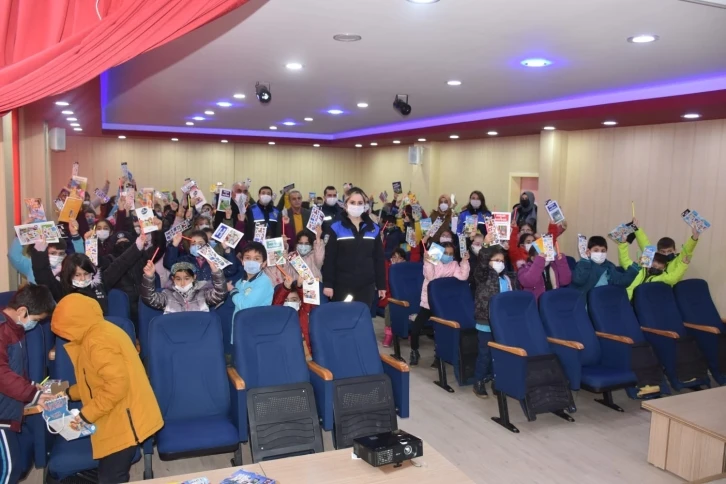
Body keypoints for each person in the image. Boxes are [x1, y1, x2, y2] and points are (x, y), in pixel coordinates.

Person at [51, 294, 163, 484]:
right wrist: (67, 393)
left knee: (111, 476)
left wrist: (86, 415)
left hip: (125, 420)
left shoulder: (97, 341)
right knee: (108, 473)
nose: (64, 336)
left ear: (74, 324)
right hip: (119, 414)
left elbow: (115, 387)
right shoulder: (98, 332)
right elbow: (93, 383)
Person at [0, 285, 57, 484]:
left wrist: (31, 385)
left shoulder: (13, 329)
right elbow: (2, 374)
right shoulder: (2, 330)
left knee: (13, 466)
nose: (35, 324)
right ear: (22, 311)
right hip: (1, 414)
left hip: (7, 409)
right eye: (36, 320)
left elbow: (13, 369)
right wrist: (33, 394)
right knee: (9, 468)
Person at [31, 234, 148, 315]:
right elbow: (42, 275)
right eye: (77, 275)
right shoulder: (62, 288)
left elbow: (120, 265)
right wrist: (39, 253)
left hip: (100, 330)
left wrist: (137, 246)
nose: (82, 278)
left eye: (86, 274)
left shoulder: (100, 283)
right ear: (69, 275)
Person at [322, 187, 386, 306]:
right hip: (342, 285)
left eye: (360, 203)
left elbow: (379, 259)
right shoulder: (336, 228)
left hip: (366, 286)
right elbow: (330, 258)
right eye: (352, 202)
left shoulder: (374, 229)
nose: (356, 206)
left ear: (364, 205)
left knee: (362, 315)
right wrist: (328, 284)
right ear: (346, 205)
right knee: (344, 316)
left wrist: (381, 285)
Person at [409, 243, 470, 366]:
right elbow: (430, 277)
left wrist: (464, 261)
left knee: (441, 330)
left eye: (450, 254)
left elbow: (463, 276)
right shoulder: (433, 261)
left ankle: (439, 356)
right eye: (445, 253)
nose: (448, 256)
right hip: (428, 303)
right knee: (415, 329)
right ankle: (414, 351)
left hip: (444, 304)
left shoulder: (453, 265)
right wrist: (428, 262)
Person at [473, 239, 518, 397]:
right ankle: (478, 381)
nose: (500, 263)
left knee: (499, 354)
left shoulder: (507, 279)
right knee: (485, 354)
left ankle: (496, 381)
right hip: (486, 322)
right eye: (496, 260)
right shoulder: (483, 276)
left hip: (502, 323)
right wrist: (486, 245)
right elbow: (482, 262)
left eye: (502, 261)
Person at [8, 219, 84, 284]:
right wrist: (22, 234)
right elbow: (14, 255)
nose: (57, 256)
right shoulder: (31, 265)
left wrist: (75, 234)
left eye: (61, 253)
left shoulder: (67, 267)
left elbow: (80, 259)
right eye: (53, 253)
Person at [141, 260, 227, 313]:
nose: (182, 283)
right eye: (178, 279)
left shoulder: (203, 294)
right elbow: (150, 299)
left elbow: (220, 294)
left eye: (186, 278)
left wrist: (216, 272)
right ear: (173, 279)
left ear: (194, 277)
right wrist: (149, 277)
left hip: (200, 332)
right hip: (175, 333)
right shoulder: (167, 295)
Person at [229, 242, 275, 342]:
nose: (251, 261)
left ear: (264, 263)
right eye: (247, 258)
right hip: (240, 330)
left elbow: (246, 305)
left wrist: (232, 291)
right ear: (242, 261)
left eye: (256, 259)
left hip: (256, 332)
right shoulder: (239, 283)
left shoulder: (264, 281)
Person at [633, 219, 700, 286]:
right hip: (642, 288)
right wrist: (636, 229)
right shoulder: (653, 258)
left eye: (669, 251)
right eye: (663, 251)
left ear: (675, 251)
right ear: (658, 252)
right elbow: (644, 243)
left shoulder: (679, 260)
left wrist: (694, 238)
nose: (666, 254)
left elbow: (687, 250)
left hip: (666, 290)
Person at [570, 236, 639, 295]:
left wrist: (635, 267)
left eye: (603, 251)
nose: (600, 253)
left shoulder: (609, 266)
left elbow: (622, 281)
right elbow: (578, 280)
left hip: (604, 300)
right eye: (596, 250)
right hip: (586, 302)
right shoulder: (584, 264)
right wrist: (585, 260)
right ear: (588, 251)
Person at [620, 247, 691, 300]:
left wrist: (683, 264)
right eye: (654, 266)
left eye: (660, 268)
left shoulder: (661, 277)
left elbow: (673, 278)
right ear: (648, 263)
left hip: (641, 303)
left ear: (663, 269)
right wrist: (622, 244)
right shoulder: (638, 268)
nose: (656, 269)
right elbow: (624, 260)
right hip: (625, 298)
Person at [164, 231, 237, 282]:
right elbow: (169, 265)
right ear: (189, 247)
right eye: (193, 244)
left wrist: (227, 250)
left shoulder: (214, 259)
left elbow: (231, 270)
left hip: (211, 295)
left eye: (200, 243)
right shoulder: (184, 260)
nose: (197, 246)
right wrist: (174, 244)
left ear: (207, 245)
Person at [272, 273, 313, 355]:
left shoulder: (305, 312)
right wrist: (285, 288)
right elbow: (276, 306)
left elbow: (309, 302)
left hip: (307, 353)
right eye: (286, 300)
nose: (289, 303)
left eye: (294, 300)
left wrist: (300, 287)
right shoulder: (280, 316)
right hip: (288, 353)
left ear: (300, 301)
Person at [381, 247, 407, 348]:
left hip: (405, 297)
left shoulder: (406, 269)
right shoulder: (387, 267)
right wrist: (392, 268)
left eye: (399, 258)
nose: (396, 260)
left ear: (404, 260)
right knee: (389, 308)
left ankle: (408, 331)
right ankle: (389, 334)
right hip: (390, 297)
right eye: (394, 257)